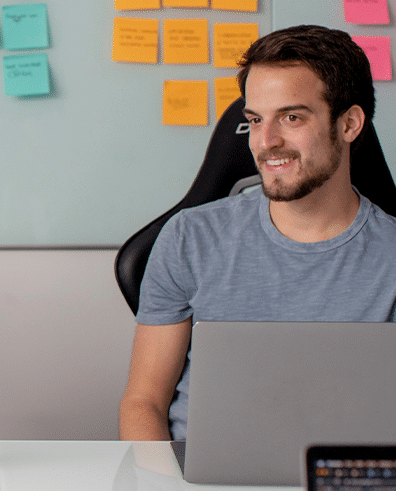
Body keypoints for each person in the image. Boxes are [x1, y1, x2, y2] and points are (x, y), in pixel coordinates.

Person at [119, 25, 396, 441]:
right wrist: (160, 477)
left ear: (349, 124)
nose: (266, 142)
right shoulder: (189, 238)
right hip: (200, 471)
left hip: (343, 470)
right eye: (255, 120)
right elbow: (145, 403)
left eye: (291, 117)